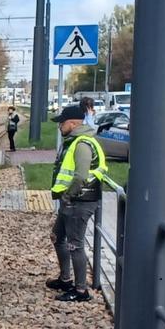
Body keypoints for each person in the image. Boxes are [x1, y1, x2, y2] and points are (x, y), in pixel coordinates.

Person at [49, 104, 108, 302]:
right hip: (73, 201)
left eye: (62, 123)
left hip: (79, 201)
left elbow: (81, 176)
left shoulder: (82, 144)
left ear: (73, 123)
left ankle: (81, 290)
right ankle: (65, 279)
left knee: (75, 245)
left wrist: (68, 196)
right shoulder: (75, 141)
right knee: (57, 237)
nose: (59, 126)